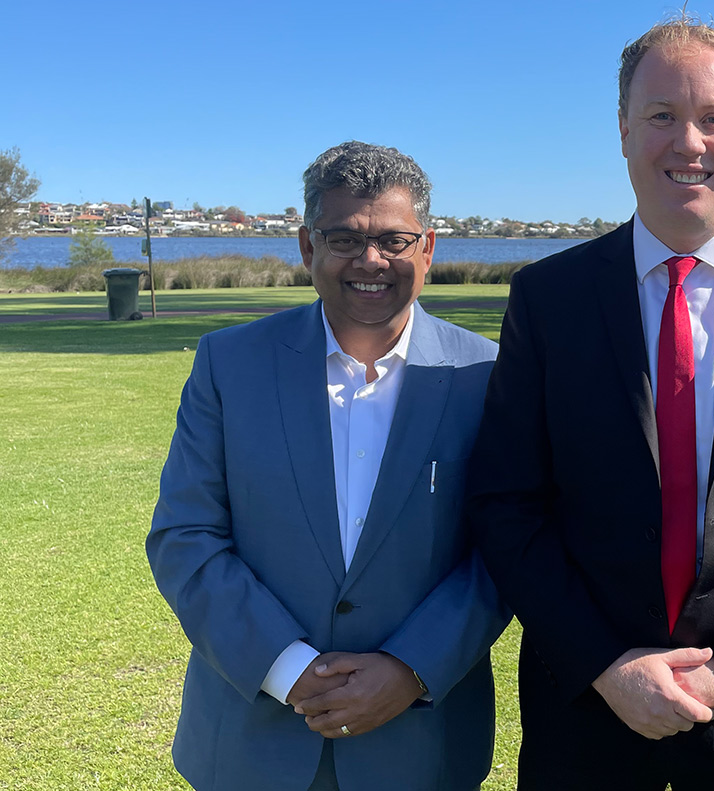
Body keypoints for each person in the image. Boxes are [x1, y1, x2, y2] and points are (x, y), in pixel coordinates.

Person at [463, 15, 714, 791]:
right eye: (661, 116)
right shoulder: (547, 298)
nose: (688, 142)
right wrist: (607, 665)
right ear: (623, 131)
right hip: (584, 720)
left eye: (712, 118)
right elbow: (506, 502)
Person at [147, 141, 509, 791]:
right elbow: (186, 536)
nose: (371, 260)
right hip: (251, 747)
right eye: (344, 238)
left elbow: (506, 548)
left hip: (423, 746)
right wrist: (288, 669)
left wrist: (410, 667)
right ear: (307, 247)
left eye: (395, 240)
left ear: (428, 249)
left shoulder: (487, 376)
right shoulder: (229, 366)